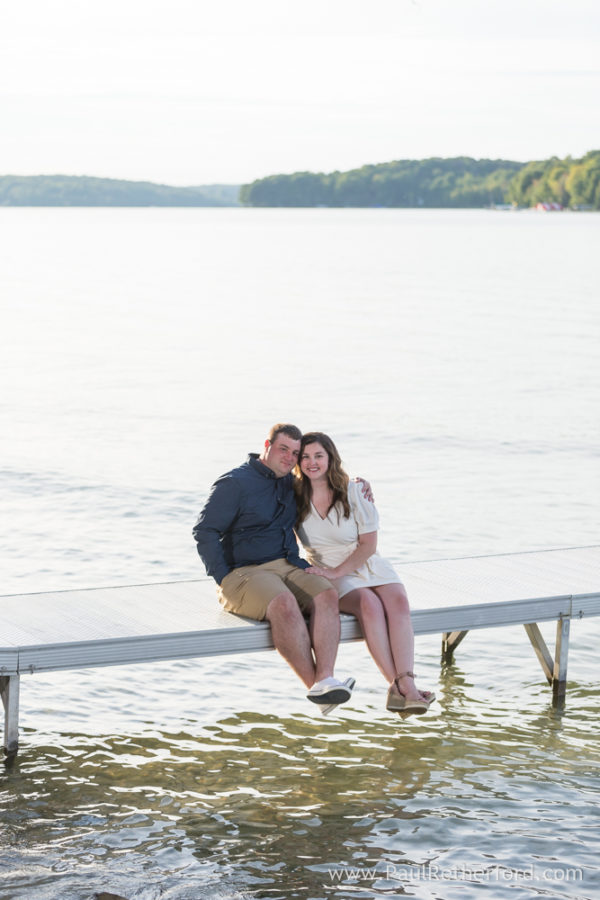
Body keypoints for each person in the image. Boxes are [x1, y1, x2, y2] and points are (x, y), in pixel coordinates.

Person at [192, 423, 355, 711]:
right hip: (244, 571)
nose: (290, 458)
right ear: (267, 446)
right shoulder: (235, 483)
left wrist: (358, 485)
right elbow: (204, 531)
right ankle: (317, 687)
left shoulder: (291, 482)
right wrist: (223, 577)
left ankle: (326, 680)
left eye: (295, 453)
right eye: (283, 449)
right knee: (284, 603)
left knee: (327, 594)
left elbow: (328, 485)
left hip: (288, 564)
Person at [294, 432, 435, 716]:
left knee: (398, 602)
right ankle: (399, 686)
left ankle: (406, 682)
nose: (312, 462)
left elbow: (368, 545)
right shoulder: (292, 494)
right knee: (369, 604)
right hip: (326, 567)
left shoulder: (353, 490)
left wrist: (339, 570)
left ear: (330, 457)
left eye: (319, 455)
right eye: (305, 457)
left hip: (365, 560)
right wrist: (331, 573)